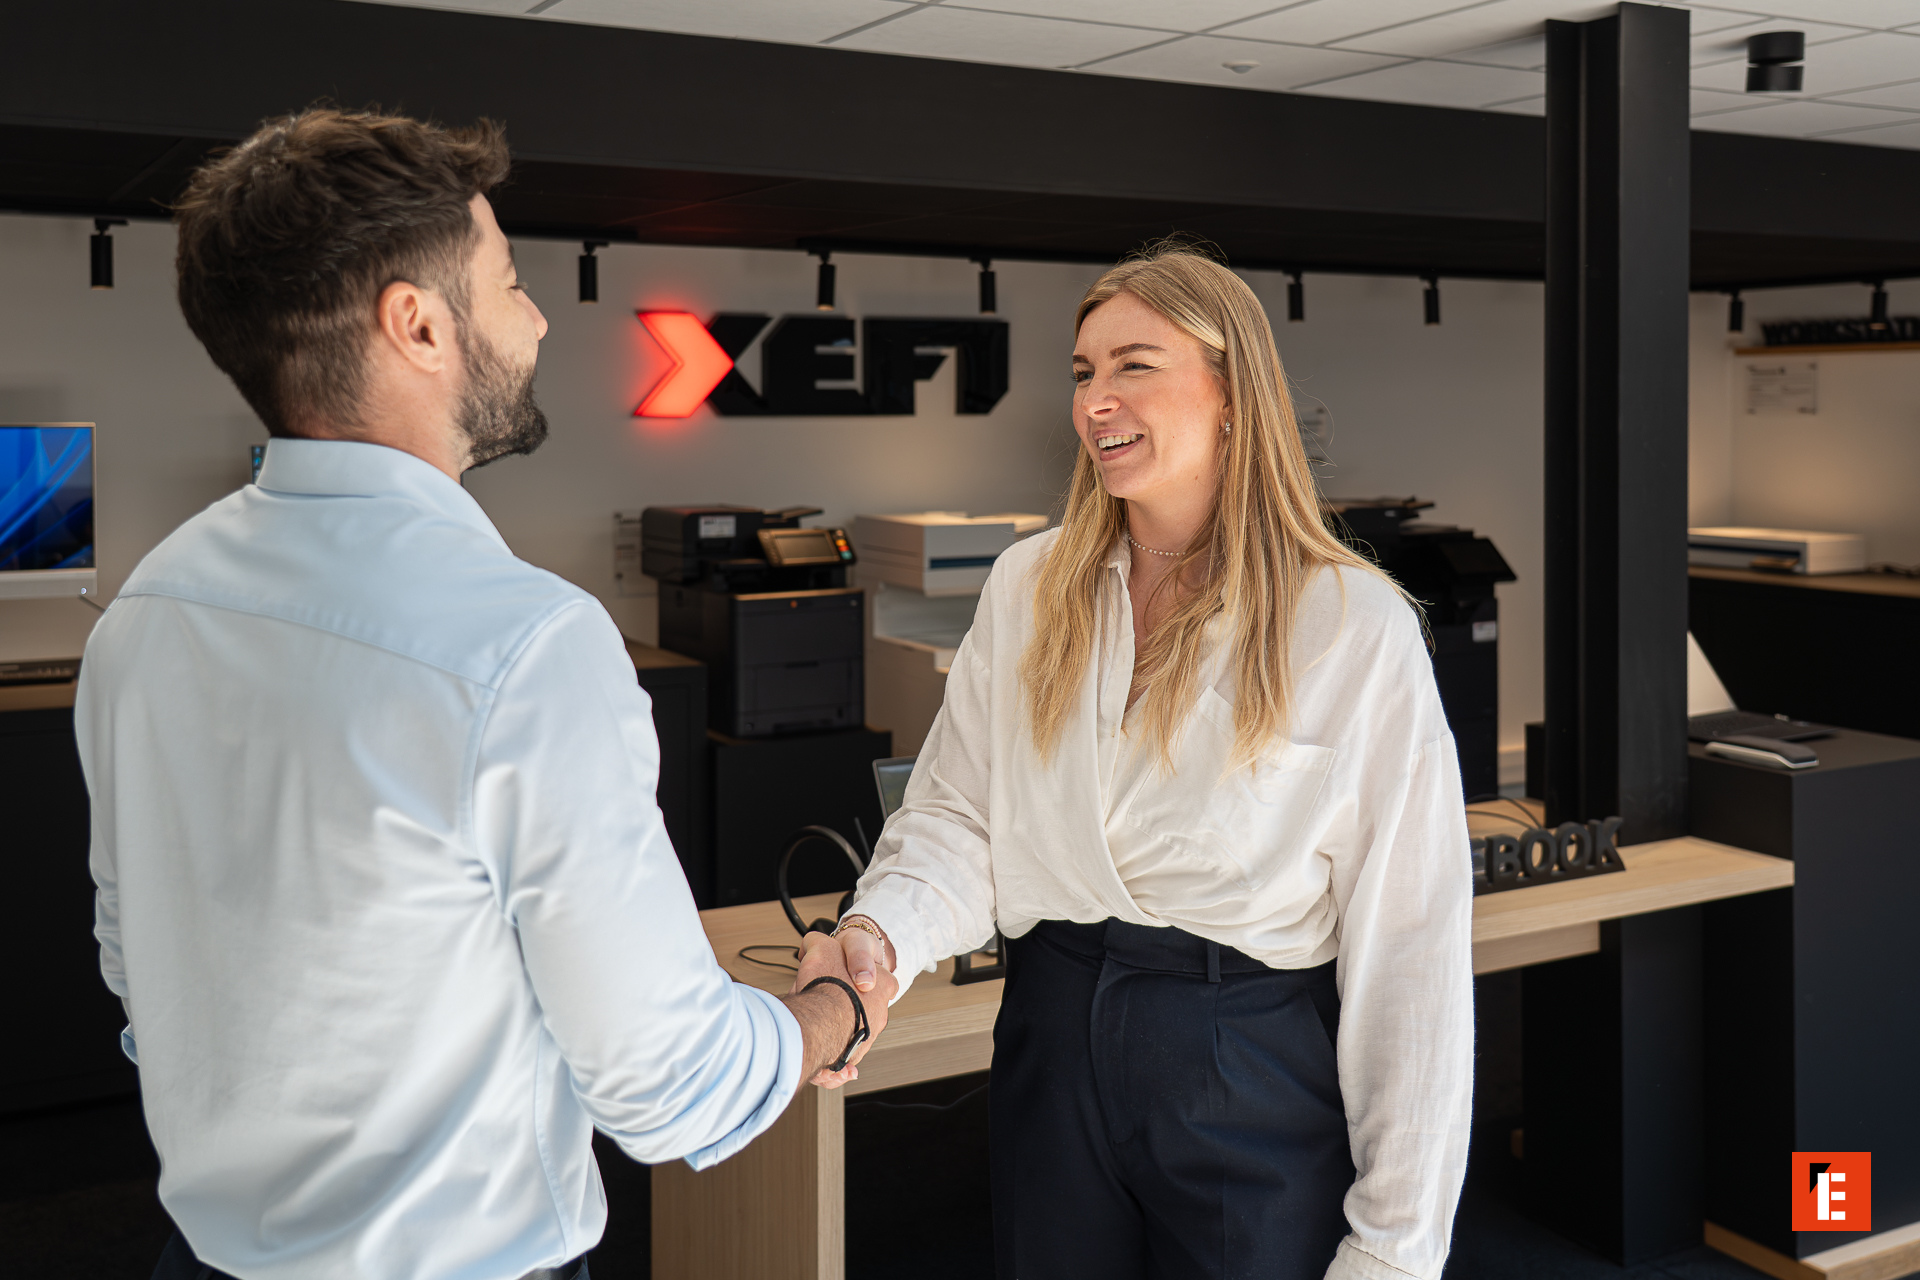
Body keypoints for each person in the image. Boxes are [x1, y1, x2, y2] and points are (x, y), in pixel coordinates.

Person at [78, 106, 892, 1280]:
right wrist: (835, 1011)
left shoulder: (147, 611)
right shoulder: (524, 643)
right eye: (508, 280)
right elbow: (674, 1088)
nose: (538, 316)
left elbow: (131, 954)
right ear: (416, 323)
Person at [813, 245, 1474, 1280]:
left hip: (1240, 1057)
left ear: (1228, 392)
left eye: (1134, 365)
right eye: (1082, 372)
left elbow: (1413, 956)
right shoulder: (1030, 586)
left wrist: (1395, 1248)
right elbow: (959, 819)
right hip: (1051, 1038)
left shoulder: (1351, 624)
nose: (1096, 401)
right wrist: (875, 933)